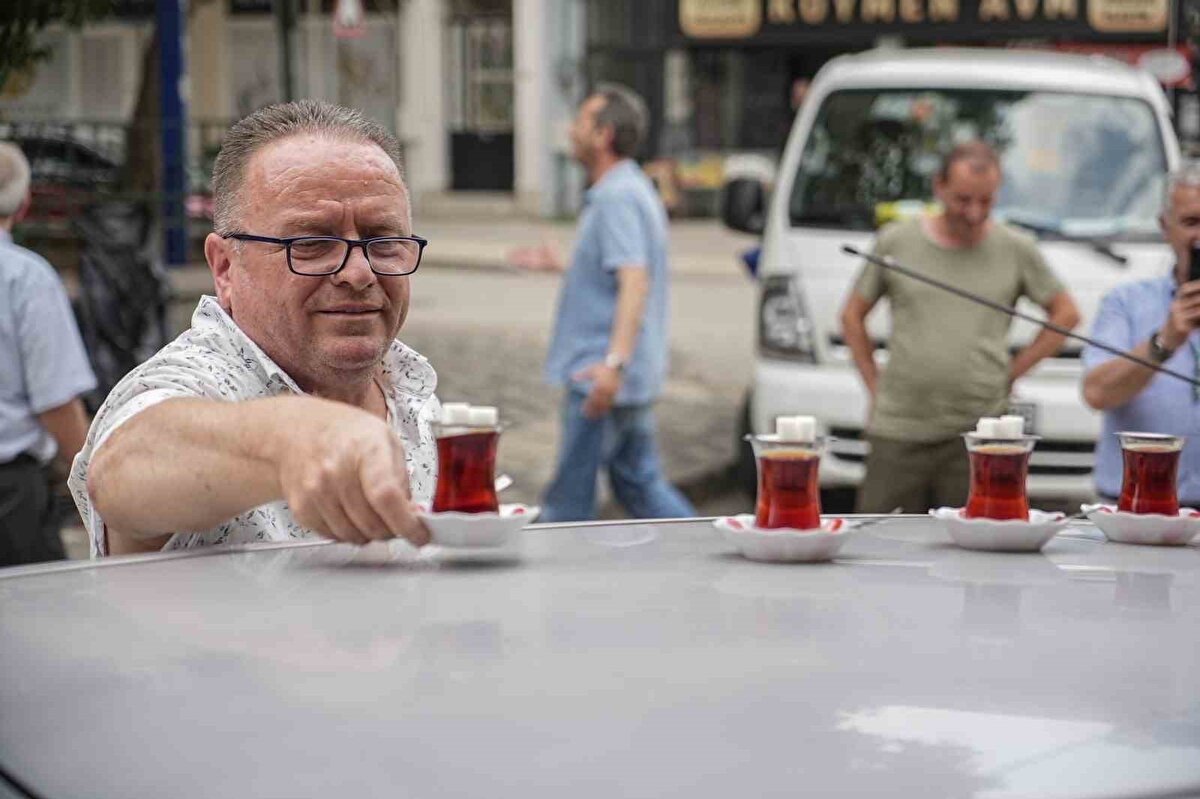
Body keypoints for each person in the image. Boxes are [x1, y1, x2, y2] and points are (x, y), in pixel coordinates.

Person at [69, 100, 437, 556]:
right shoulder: (199, 380)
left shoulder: (412, 389)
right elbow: (121, 471)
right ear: (225, 267)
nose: (358, 272)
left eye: (384, 241)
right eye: (311, 243)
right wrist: (294, 438)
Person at [840, 141, 1080, 513]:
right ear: (938, 187)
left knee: (977, 551)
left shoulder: (1015, 247)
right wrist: (873, 384)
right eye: (962, 199)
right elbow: (852, 316)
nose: (974, 213)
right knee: (879, 545)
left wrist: (1014, 371)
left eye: (986, 202)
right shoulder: (896, 241)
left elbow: (1066, 314)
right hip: (899, 429)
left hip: (981, 433)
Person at [510, 84, 695, 522]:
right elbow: (618, 272)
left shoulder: (617, 197)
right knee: (638, 483)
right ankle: (700, 553)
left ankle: (550, 587)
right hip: (616, 376)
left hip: (597, 377)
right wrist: (567, 266)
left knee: (568, 504)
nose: (572, 131)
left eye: (581, 122)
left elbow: (634, 280)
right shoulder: (628, 189)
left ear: (603, 134)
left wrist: (612, 365)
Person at [0, 142, 97, 566]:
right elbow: (56, 403)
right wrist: (95, 477)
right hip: (10, 499)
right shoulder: (25, 278)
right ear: (23, 206)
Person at [1081, 163, 1200, 504]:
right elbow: (1096, 393)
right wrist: (1165, 342)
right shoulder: (1125, 303)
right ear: (1166, 228)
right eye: (1191, 222)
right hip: (1132, 508)